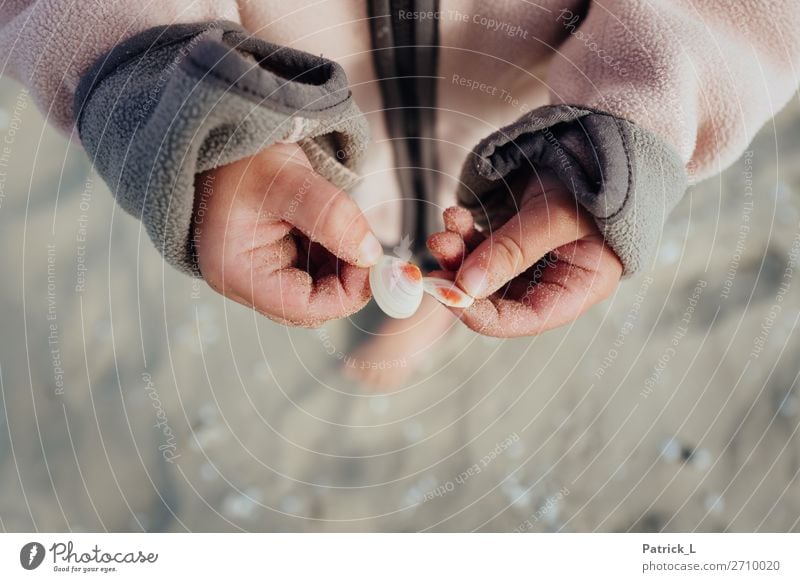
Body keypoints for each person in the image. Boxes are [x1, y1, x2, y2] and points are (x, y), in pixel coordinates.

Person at [2, 1, 798, 388]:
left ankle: (428, 305)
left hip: (516, 84)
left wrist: (627, 133)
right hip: (282, 100)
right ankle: (404, 283)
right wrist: (198, 125)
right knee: (358, 209)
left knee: (472, 222)